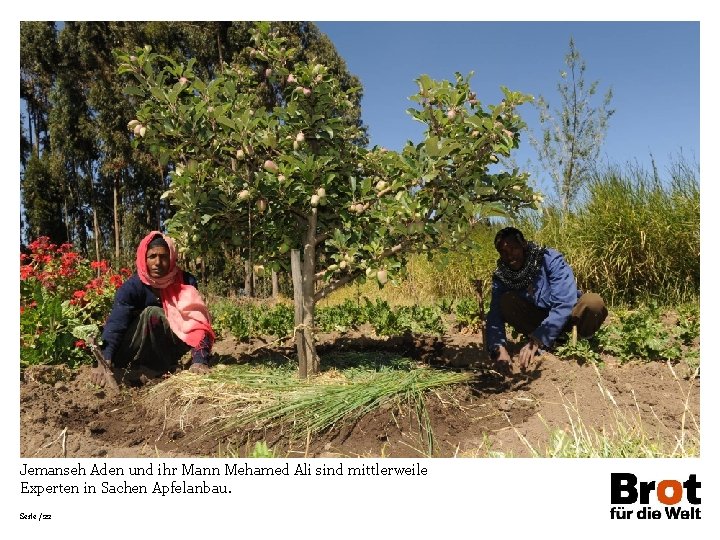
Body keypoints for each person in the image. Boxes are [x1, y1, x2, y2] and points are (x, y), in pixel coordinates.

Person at [90, 231, 215, 386]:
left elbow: (197, 323)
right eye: (152, 256)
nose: (157, 262)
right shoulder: (133, 287)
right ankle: (138, 369)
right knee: (154, 313)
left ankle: (161, 367)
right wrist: (104, 359)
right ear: (144, 258)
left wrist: (199, 360)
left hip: (167, 351)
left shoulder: (185, 282)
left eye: (163, 257)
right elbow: (116, 324)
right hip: (132, 353)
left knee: (175, 317)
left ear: (171, 259)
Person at [486, 227, 607, 373]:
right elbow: (495, 315)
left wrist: (538, 339)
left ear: (524, 244)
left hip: (569, 318)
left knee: (593, 303)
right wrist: (499, 350)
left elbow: (565, 303)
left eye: (513, 249)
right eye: (503, 252)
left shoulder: (549, 258)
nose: (509, 255)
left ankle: (581, 342)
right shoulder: (502, 276)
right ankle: (552, 342)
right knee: (505, 301)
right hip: (537, 321)